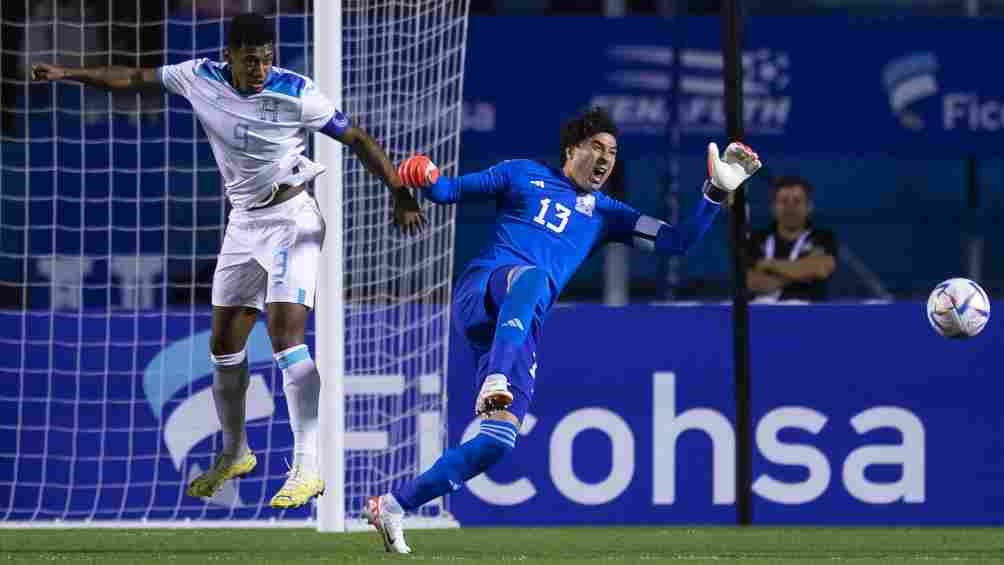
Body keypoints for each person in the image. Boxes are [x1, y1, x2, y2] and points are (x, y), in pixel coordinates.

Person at [32, 12, 425, 509]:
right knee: (224, 346)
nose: (259, 68)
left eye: (265, 58)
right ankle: (235, 451)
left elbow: (358, 139)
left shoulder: (297, 92)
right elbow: (133, 77)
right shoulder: (200, 77)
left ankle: (308, 466)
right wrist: (69, 74)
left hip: (293, 218)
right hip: (243, 223)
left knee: (286, 337)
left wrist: (398, 191)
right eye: (249, 58)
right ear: (230, 56)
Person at [360, 107, 762, 553]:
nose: (607, 159)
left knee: (497, 442)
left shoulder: (608, 214)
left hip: (518, 329)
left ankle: (394, 505)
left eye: (613, 152)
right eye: (597, 148)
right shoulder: (521, 175)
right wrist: (423, 173)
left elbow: (678, 241)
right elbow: (447, 190)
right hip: (485, 292)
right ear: (572, 150)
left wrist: (715, 192)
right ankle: (496, 377)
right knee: (534, 277)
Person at [746, 176, 837, 302]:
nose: (790, 207)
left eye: (797, 201)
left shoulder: (822, 237)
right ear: (773, 207)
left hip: (808, 313)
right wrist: (802, 273)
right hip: (762, 312)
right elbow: (750, 282)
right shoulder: (757, 239)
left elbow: (821, 269)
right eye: (784, 201)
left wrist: (770, 264)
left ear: (809, 206)